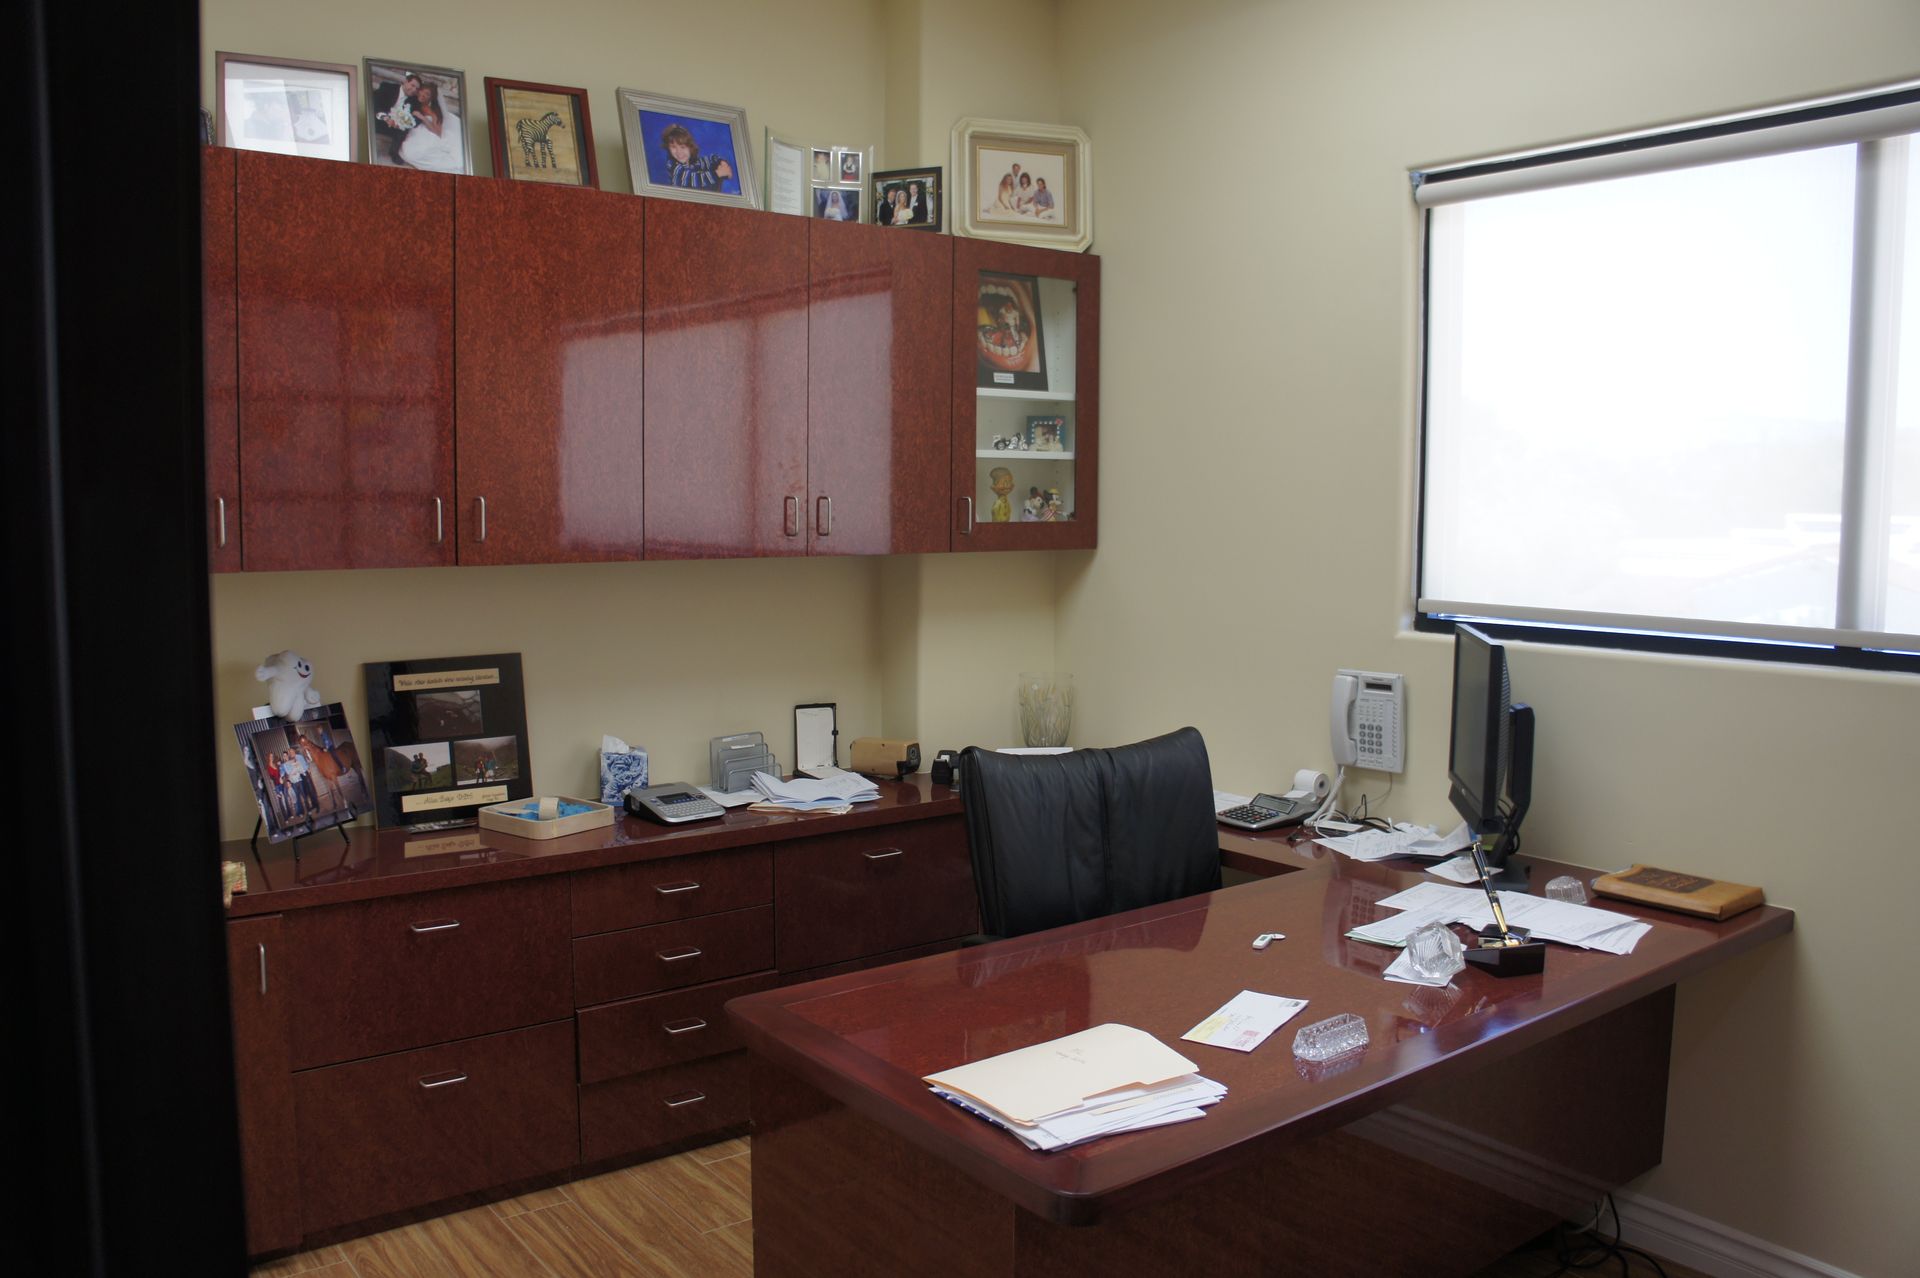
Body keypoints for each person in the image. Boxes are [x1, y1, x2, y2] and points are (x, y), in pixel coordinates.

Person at [397, 79, 464, 173]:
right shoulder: (412, 100)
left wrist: (423, 118)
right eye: (422, 91)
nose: (423, 95)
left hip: (431, 129)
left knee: (420, 150)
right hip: (418, 127)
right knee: (410, 150)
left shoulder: (431, 110)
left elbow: (438, 132)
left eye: (427, 94)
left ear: (431, 98)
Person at [661, 123, 733, 191]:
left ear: (690, 148)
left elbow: (709, 159)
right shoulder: (675, 167)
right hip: (683, 201)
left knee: (714, 165)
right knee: (706, 179)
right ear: (668, 148)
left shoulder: (693, 162)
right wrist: (718, 173)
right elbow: (693, 179)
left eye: (682, 147)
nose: (679, 152)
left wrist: (722, 163)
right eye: (673, 147)